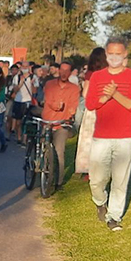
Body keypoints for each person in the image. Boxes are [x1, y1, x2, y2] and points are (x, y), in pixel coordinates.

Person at [85, 38, 131, 231]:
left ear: (125, 54)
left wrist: (115, 94)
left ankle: (114, 216)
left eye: (118, 54)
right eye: (111, 53)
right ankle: (100, 201)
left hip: (126, 137)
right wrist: (106, 96)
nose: (114, 57)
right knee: (96, 179)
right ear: (106, 54)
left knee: (120, 180)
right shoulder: (97, 77)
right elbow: (90, 104)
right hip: (102, 136)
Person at [40, 60, 81, 189]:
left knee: (59, 151)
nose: (63, 73)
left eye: (66, 71)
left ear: (70, 73)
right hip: (47, 121)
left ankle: (58, 181)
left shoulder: (74, 89)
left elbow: (73, 105)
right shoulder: (50, 84)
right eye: (61, 70)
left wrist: (70, 112)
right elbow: (50, 100)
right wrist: (57, 105)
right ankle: (41, 170)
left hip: (62, 124)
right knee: (42, 148)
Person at [74, 47, 107, 176]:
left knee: (89, 140)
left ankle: (87, 168)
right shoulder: (108, 73)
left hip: (93, 109)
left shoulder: (91, 73)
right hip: (106, 108)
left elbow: (86, 93)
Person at [9, 61, 36, 145]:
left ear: (29, 67)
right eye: (23, 66)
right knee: (18, 122)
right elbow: (15, 90)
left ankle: (24, 139)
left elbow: (35, 91)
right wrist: (21, 82)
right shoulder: (17, 77)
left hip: (28, 101)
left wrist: (31, 84)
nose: (24, 68)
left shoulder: (33, 77)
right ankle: (19, 136)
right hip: (18, 101)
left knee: (26, 121)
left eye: (26, 66)